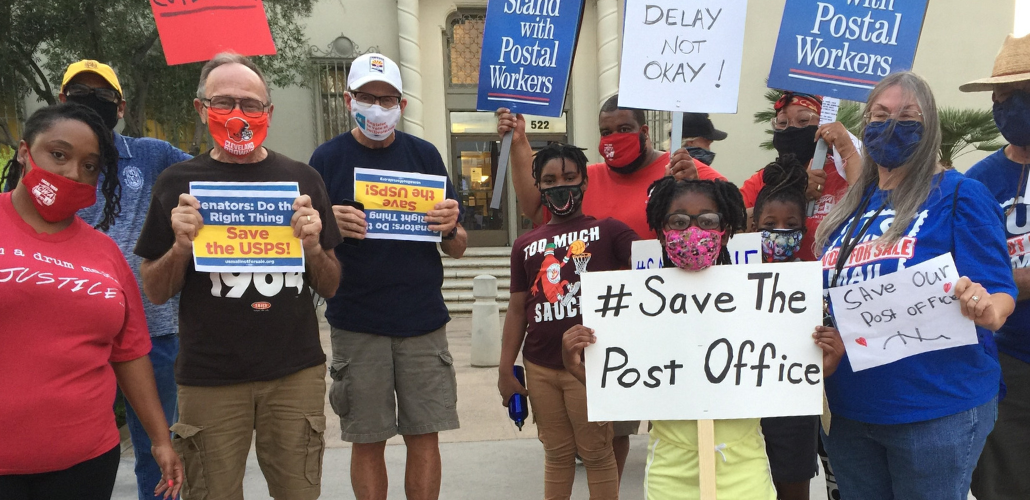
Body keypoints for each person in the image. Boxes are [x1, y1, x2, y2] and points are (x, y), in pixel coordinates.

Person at [135, 53, 341, 500]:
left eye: (251, 104)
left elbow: (331, 283)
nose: (238, 115)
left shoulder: (302, 179)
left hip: (294, 374)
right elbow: (154, 289)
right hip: (208, 378)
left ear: (268, 112)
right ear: (200, 108)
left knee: (299, 492)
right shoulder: (177, 183)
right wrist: (180, 247)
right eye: (223, 102)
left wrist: (310, 248)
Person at [563, 176, 842, 499]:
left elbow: (777, 377)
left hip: (745, 475)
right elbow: (627, 387)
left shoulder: (759, 300)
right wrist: (585, 371)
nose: (693, 231)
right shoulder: (638, 306)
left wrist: (818, 369)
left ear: (726, 231)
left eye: (707, 221)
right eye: (679, 221)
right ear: (660, 231)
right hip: (670, 477)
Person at [814, 71, 1017, 500]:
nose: (891, 125)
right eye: (880, 114)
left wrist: (988, 308)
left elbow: (999, 290)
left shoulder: (961, 194)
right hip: (849, 410)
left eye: (908, 115)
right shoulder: (852, 206)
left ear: (930, 128)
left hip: (935, 410)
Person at [498, 93, 725, 475]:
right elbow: (535, 209)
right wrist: (520, 142)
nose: (613, 138)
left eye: (623, 129)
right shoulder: (589, 177)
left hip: (670, 313)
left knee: (673, 419)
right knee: (613, 429)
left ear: (645, 132)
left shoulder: (678, 170)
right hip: (611, 324)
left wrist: (695, 183)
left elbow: (734, 214)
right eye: (605, 131)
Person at [0, 103, 183, 499]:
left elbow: (130, 352)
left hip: (88, 462)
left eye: (89, 165)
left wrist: (160, 439)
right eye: (59, 154)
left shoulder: (105, 252)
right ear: (24, 150)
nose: (71, 173)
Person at [309, 53, 465, 500]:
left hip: (423, 321)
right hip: (357, 323)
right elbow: (306, 244)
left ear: (402, 104)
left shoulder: (425, 155)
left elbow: (457, 246)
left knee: (425, 435)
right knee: (367, 439)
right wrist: (327, 225)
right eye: (367, 97)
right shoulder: (326, 158)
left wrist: (451, 225)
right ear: (348, 99)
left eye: (387, 98)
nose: (378, 107)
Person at [61, 59, 191, 500]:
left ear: (119, 107)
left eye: (100, 96)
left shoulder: (154, 155)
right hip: (76, 334)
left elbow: (214, 175)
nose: (90, 103)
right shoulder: (52, 163)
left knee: (159, 450)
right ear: (62, 101)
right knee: (77, 452)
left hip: (153, 331)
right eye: (80, 94)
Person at [499, 143, 637, 500]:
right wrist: (505, 369)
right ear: (538, 186)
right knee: (556, 454)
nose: (560, 186)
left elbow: (651, 268)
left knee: (597, 452)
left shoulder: (609, 231)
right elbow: (517, 310)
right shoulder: (524, 243)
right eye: (549, 180)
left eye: (569, 177)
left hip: (588, 364)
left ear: (584, 182)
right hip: (538, 365)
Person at [961, 33, 1030, 500]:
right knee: (1006, 481)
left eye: (1016, 98)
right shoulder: (978, 182)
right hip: (1010, 360)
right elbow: (971, 275)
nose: (1003, 109)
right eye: (998, 100)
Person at [751, 155, 825, 500]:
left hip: (794, 405)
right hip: (746, 403)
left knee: (793, 489)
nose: (779, 233)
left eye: (790, 225)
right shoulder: (729, 277)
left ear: (803, 229)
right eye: (770, 224)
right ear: (753, 226)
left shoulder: (812, 279)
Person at [739, 92, 862, 255]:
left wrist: (847, 147)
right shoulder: (764, 178)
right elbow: (733, 226)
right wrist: (794, 192)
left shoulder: (843, 171)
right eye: (782, 122)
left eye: (803, 121)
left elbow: (867, 199)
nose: (791, 128)